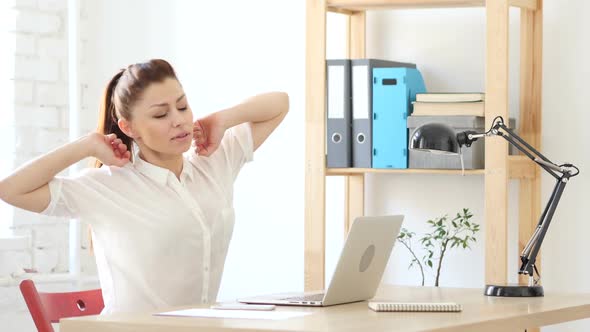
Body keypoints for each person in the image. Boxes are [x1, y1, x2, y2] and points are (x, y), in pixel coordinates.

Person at [0, 59, 289, 314]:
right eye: (161, 114)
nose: (178, 120)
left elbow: (280, 103)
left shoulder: (212, 162)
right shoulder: (108, 187)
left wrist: (224, 119)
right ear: (128, 128)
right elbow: (11, 189)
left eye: (183, 106)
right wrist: (85, 146)